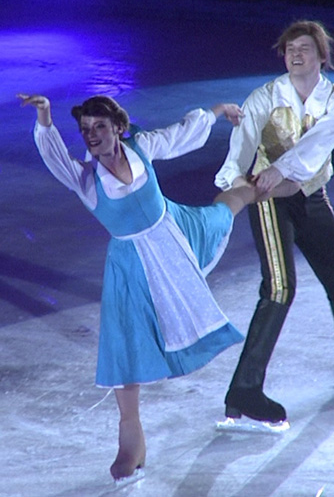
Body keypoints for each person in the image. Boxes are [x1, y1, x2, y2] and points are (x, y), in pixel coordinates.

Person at [17, 93, 297, 483]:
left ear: (118, 127)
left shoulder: (140, 146)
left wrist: (217, 110)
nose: (92, 136)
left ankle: (276, 182)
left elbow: (180, 135)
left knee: (224, 208)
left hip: (174, 233)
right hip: (130, 266)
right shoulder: (85, 178)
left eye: (99, 127)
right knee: (123, 345)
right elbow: (54, 157)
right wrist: (45, 118)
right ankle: (131, 442)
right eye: (85, 130)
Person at [214, 20, 334, 427]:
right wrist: (235, 184)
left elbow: (314, 149)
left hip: (310, 195)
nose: (295, 53)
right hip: (268, 201)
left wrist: (279, 171)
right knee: (280, 288)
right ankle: (244, 389)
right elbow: (241, 147)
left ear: (322, 55)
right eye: (289, 49)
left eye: (304, 47)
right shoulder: (265, 96)